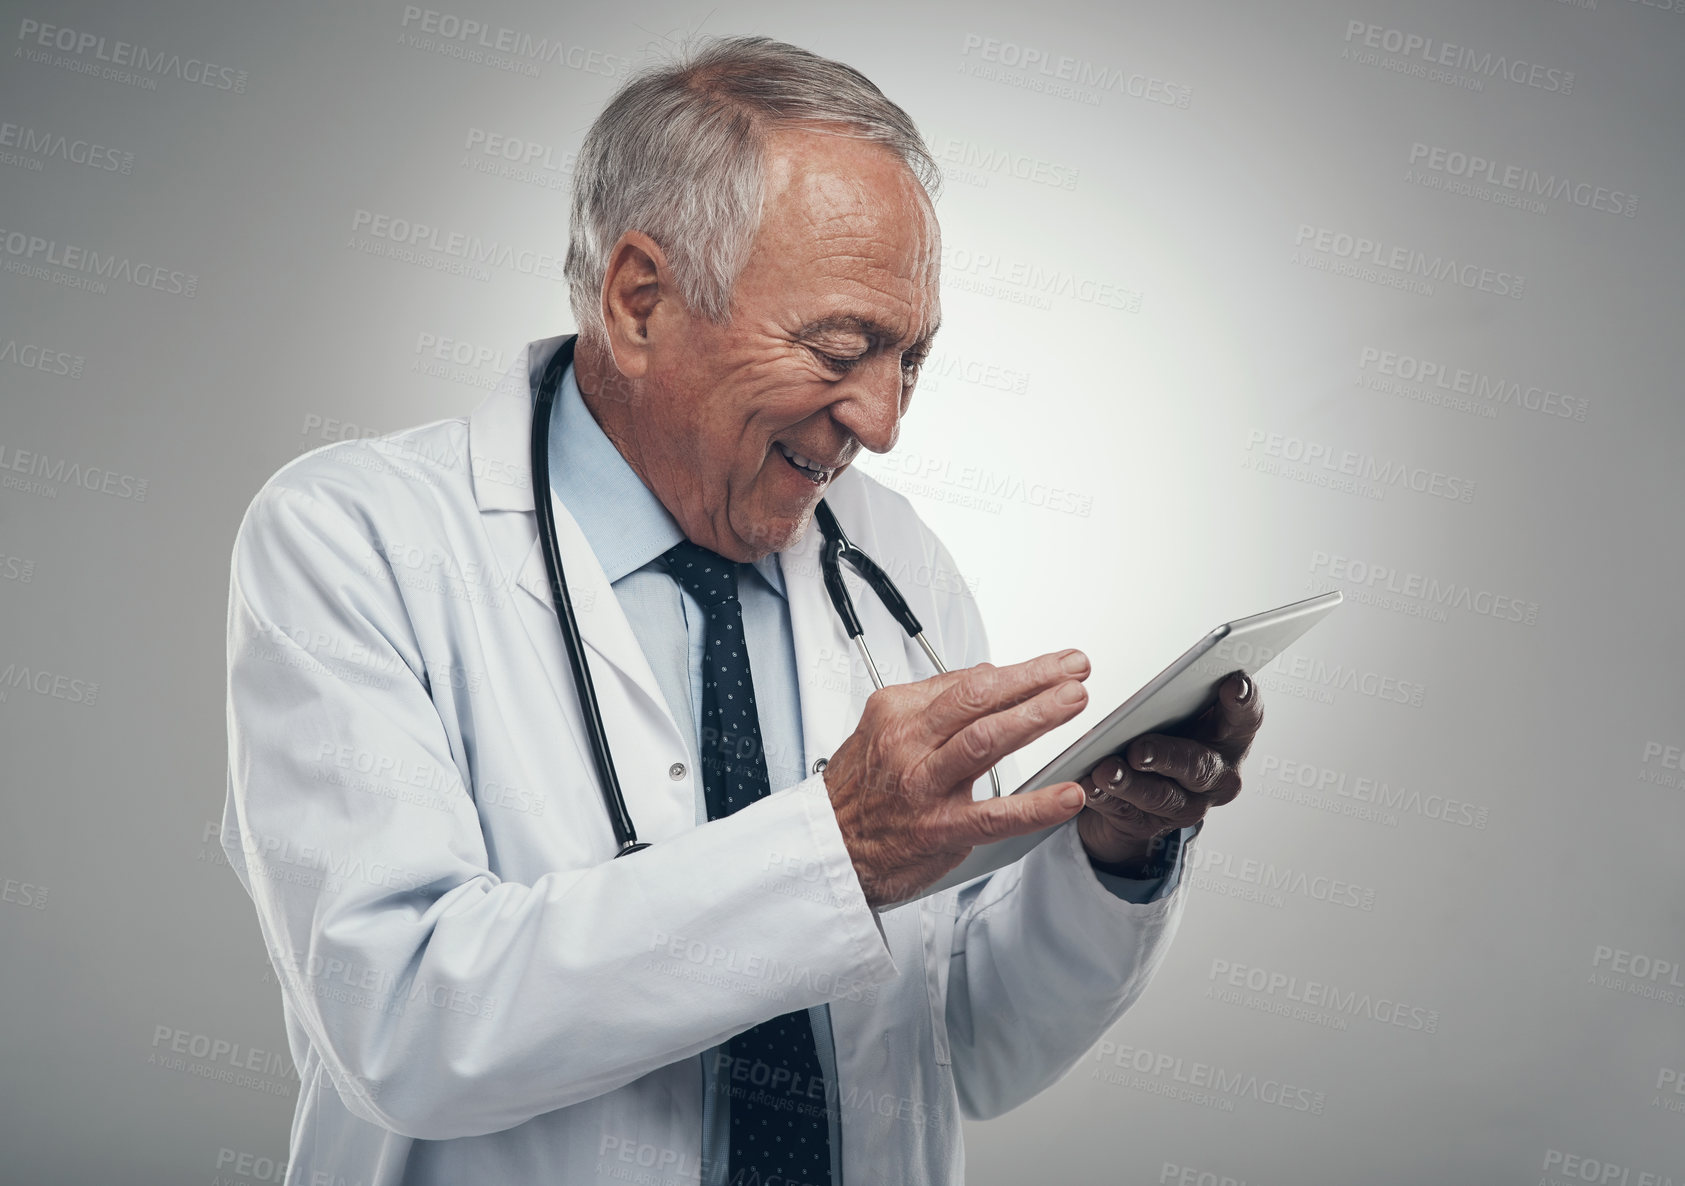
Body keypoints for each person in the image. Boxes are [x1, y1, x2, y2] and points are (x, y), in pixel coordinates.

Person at [221, 34, 1263, 1186]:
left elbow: (970, 1045)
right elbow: (401, 1019)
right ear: (639, 301)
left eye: (910, 360)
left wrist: (1109, 853)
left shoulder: (891, 557)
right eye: (839, 348)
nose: (881, 421)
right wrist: (834, 846)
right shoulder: (353, 541)